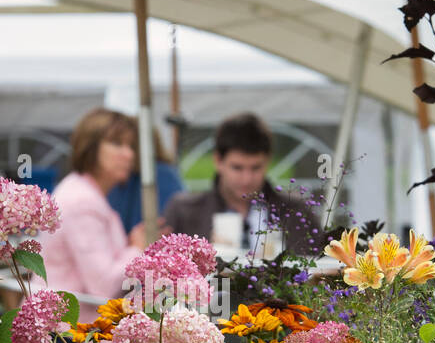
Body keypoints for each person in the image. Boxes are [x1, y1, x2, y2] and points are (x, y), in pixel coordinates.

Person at [41, 108, 146, 326]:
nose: (129, 154)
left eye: (130, 146)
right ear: (90, 147)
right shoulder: (82, 202)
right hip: (70, 333)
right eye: (117, 144)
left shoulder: (81, 189)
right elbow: (103, 286)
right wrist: (138, 248)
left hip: (68, 324)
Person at [162, 113, 320, 254]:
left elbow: (320, 272)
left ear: (268, 161)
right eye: (237, 168)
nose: (247, 179)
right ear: (218, 161)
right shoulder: (184, 211)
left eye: (256, 167)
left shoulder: (297, 211)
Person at [107, 121, 183, 234]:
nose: (126, 153)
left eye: (129, 145)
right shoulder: (123, 178)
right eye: (118, 144)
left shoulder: (161, 175)